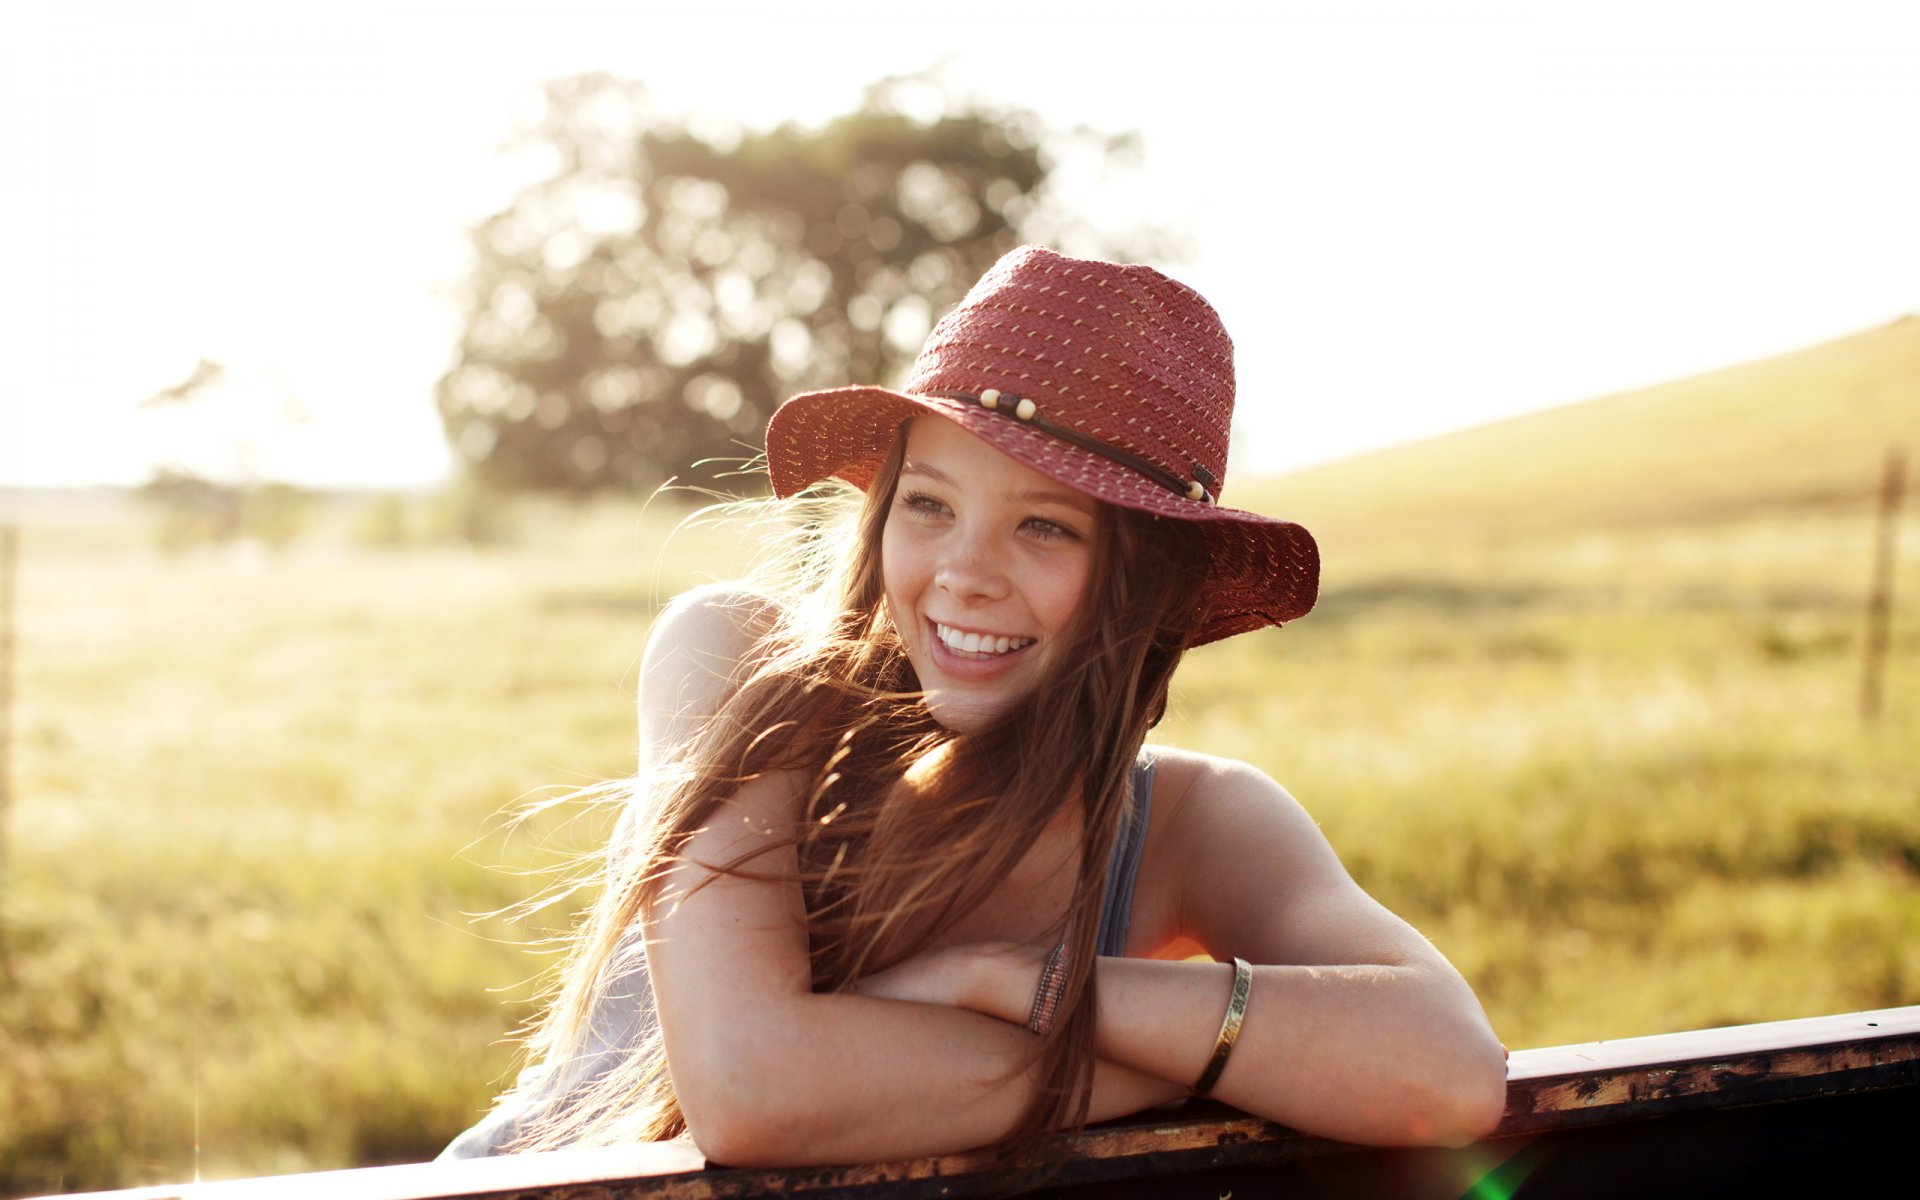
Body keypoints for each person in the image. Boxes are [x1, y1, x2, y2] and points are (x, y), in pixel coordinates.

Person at [441, 245, 1507, 1166]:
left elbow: (1450, 1071)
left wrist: (1022, 983)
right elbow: (751, 1091)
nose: (964, 575)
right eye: (931, 505)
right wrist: (1205, 1064)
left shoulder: (1193, 824)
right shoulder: (738, 662)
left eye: (1045, 528)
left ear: (1146, 582)